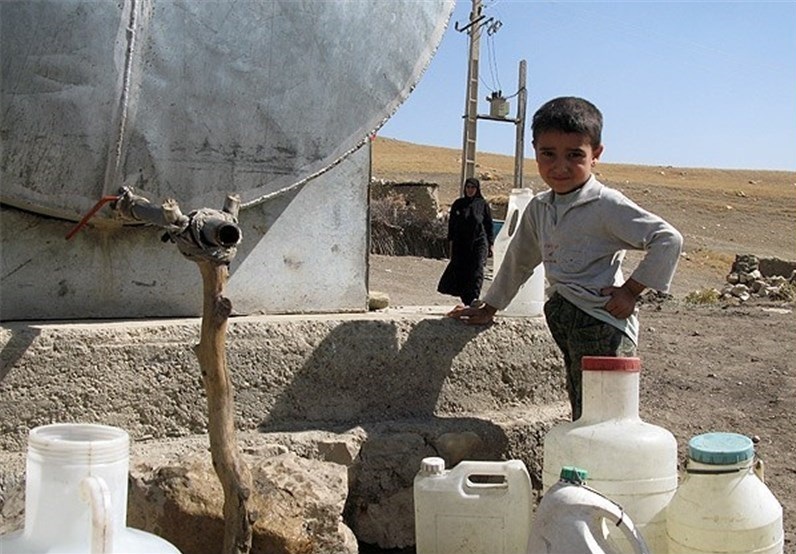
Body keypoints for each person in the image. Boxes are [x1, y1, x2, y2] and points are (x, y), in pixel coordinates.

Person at [448, 97, 683, 420]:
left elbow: (668, 239)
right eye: (549, 154)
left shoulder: (605, 204)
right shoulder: (540, 207)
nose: (560, 167)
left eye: (574, 155)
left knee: (606, 414)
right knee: (582, 408)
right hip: (566, 318)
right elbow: (519, 259)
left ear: (596, 154)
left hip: (604, 324)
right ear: (535, 151)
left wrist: (630, 291)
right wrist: (490, 306)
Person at [437, 177, 495, 307]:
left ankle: (474, 297)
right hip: (461, 243)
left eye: (473, 187)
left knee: (477, 268)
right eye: (468, 187)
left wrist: (491, 243)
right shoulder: (458, 204)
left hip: (479, 241)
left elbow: (488, 225)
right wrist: (451, 242)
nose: (470, 190)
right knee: (462, 269)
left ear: (477, 189)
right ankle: (467, 299)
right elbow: (452, 225)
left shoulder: (482, 204)